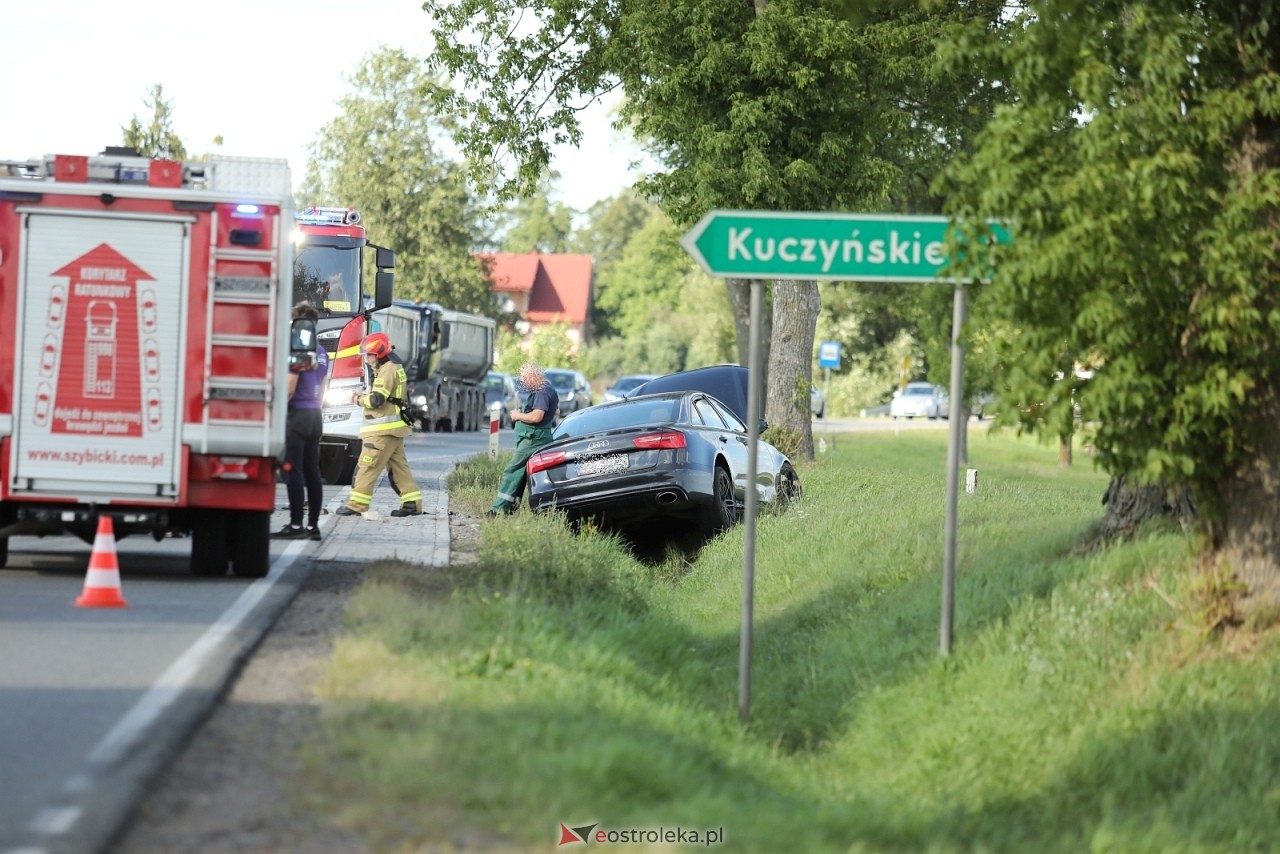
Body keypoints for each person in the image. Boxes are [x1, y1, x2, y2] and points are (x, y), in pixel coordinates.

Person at [336, 331, 423, 517]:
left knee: (368, 465)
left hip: (381, 431)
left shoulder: (387, 370)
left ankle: (357, 505)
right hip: (394, 429)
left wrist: (355, 398)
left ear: (379, 354)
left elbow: (377, 401)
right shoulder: (392, 367)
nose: (366, 359)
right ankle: (411, 503)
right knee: (399, 468)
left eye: (369, 355)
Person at [274, 302, 329, 540]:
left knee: (292, 469)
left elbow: (289, 386)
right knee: (312, 470)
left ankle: (295, 525)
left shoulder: (298, 349)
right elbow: (324, 387)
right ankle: (313, 526)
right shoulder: (321, 351)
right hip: (316, 415)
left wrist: (279, 409)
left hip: (298, 415)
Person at [489, 362, 560, 516]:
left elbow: (536, 416)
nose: (524, 383)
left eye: (525, 379)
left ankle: (498, 509)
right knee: (521, 474)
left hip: (533, 439)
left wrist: (517, 415)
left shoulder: (542, 392)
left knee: (512, 470)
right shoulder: (546, 390)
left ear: (534, 376)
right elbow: (555, 411)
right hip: (534, 437)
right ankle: (511, 506)